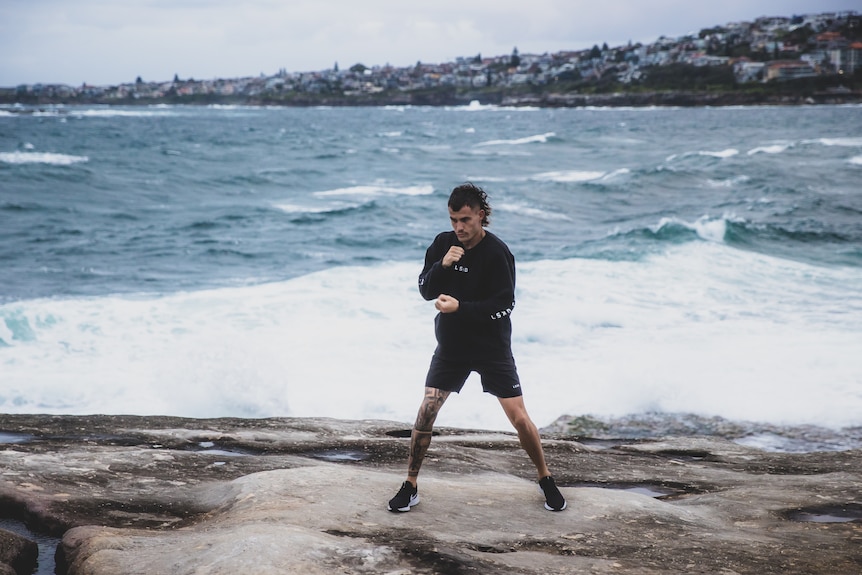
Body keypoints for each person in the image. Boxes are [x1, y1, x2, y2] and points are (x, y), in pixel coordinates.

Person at [387, 183, 567, 513]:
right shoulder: (444, 244)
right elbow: (425, 291)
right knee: (426, 410)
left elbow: (504, 305)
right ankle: (410, 485)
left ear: (481, 216)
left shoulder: (498, 253)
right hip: (451, 347)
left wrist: (462, 308)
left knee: (519, 418)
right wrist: (442, 266)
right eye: (454, 219)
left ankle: (545, 478)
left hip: (491, 348)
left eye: (466, 219)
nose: (459, 227)